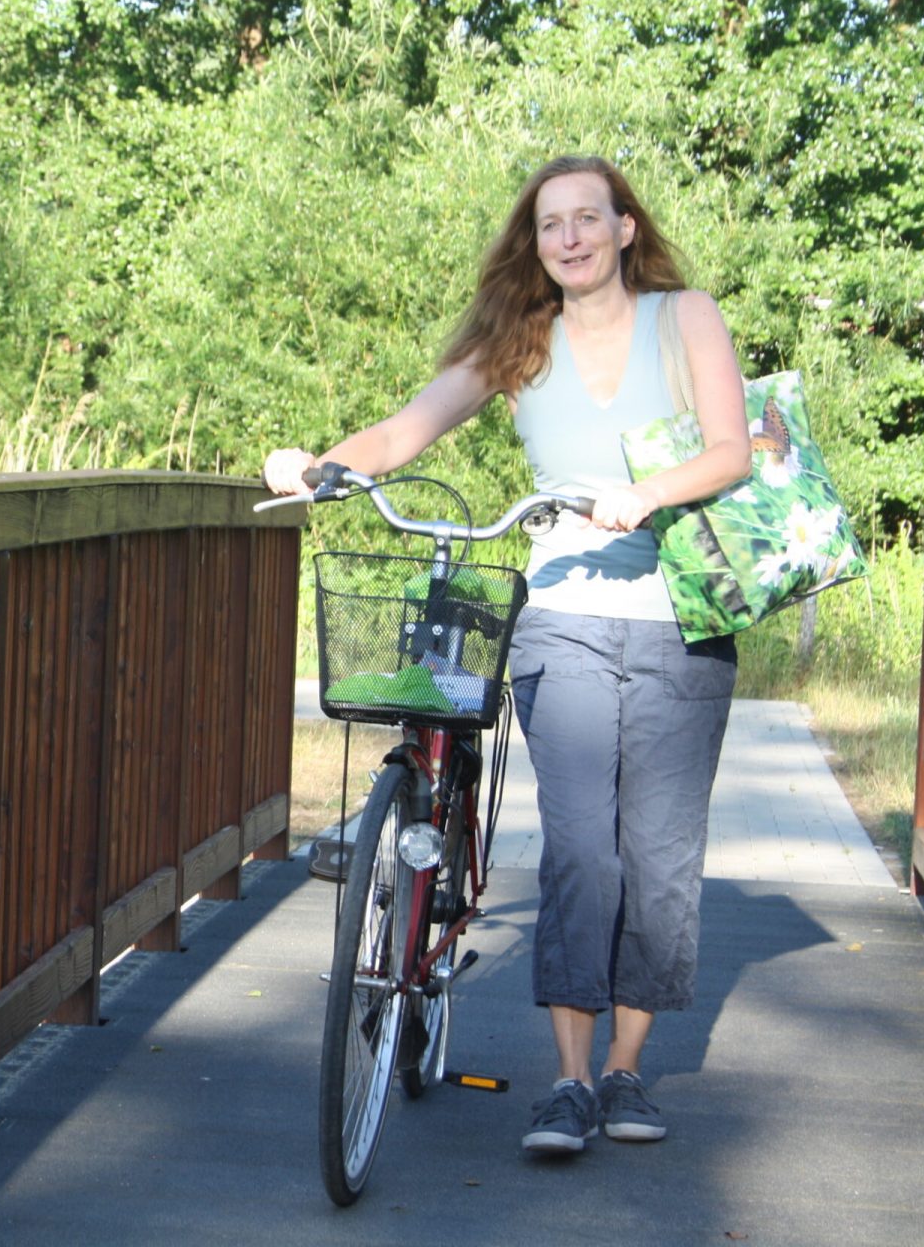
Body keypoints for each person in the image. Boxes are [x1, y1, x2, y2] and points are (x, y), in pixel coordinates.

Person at [262, 155, 752, 1156]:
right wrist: (324, 464)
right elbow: (411, 424)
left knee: (659, 859)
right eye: (549, 224)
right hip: (565, 613)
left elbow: (731, 450)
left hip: (682, 618)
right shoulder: (520, 341)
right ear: (536, 245)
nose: (567, 236)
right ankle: (569, 1083)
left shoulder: (685, 314)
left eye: (587, 218)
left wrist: (648, 491)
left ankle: (625, 1068)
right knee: (582, 849)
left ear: (624, 228)